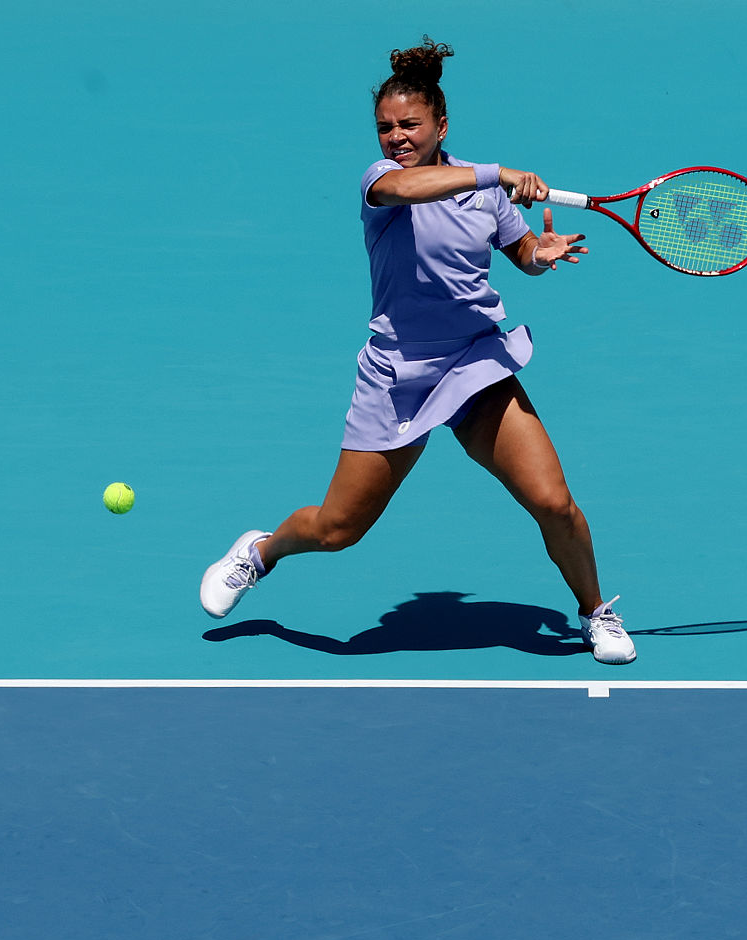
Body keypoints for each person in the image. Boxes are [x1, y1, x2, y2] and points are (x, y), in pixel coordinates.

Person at [198, 37, 634, 665]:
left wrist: (540, 254)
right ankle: (260, 552)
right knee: (337, 529)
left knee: (552, 502)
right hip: (398, 374)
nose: (396, 137)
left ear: (441, 125)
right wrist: (497, 173)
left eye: (410, 125)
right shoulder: (383, 182)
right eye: (385, 127)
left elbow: (520, 254)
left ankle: (596, 612)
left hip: (475, 364)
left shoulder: (485, 193)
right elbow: (409, 190)